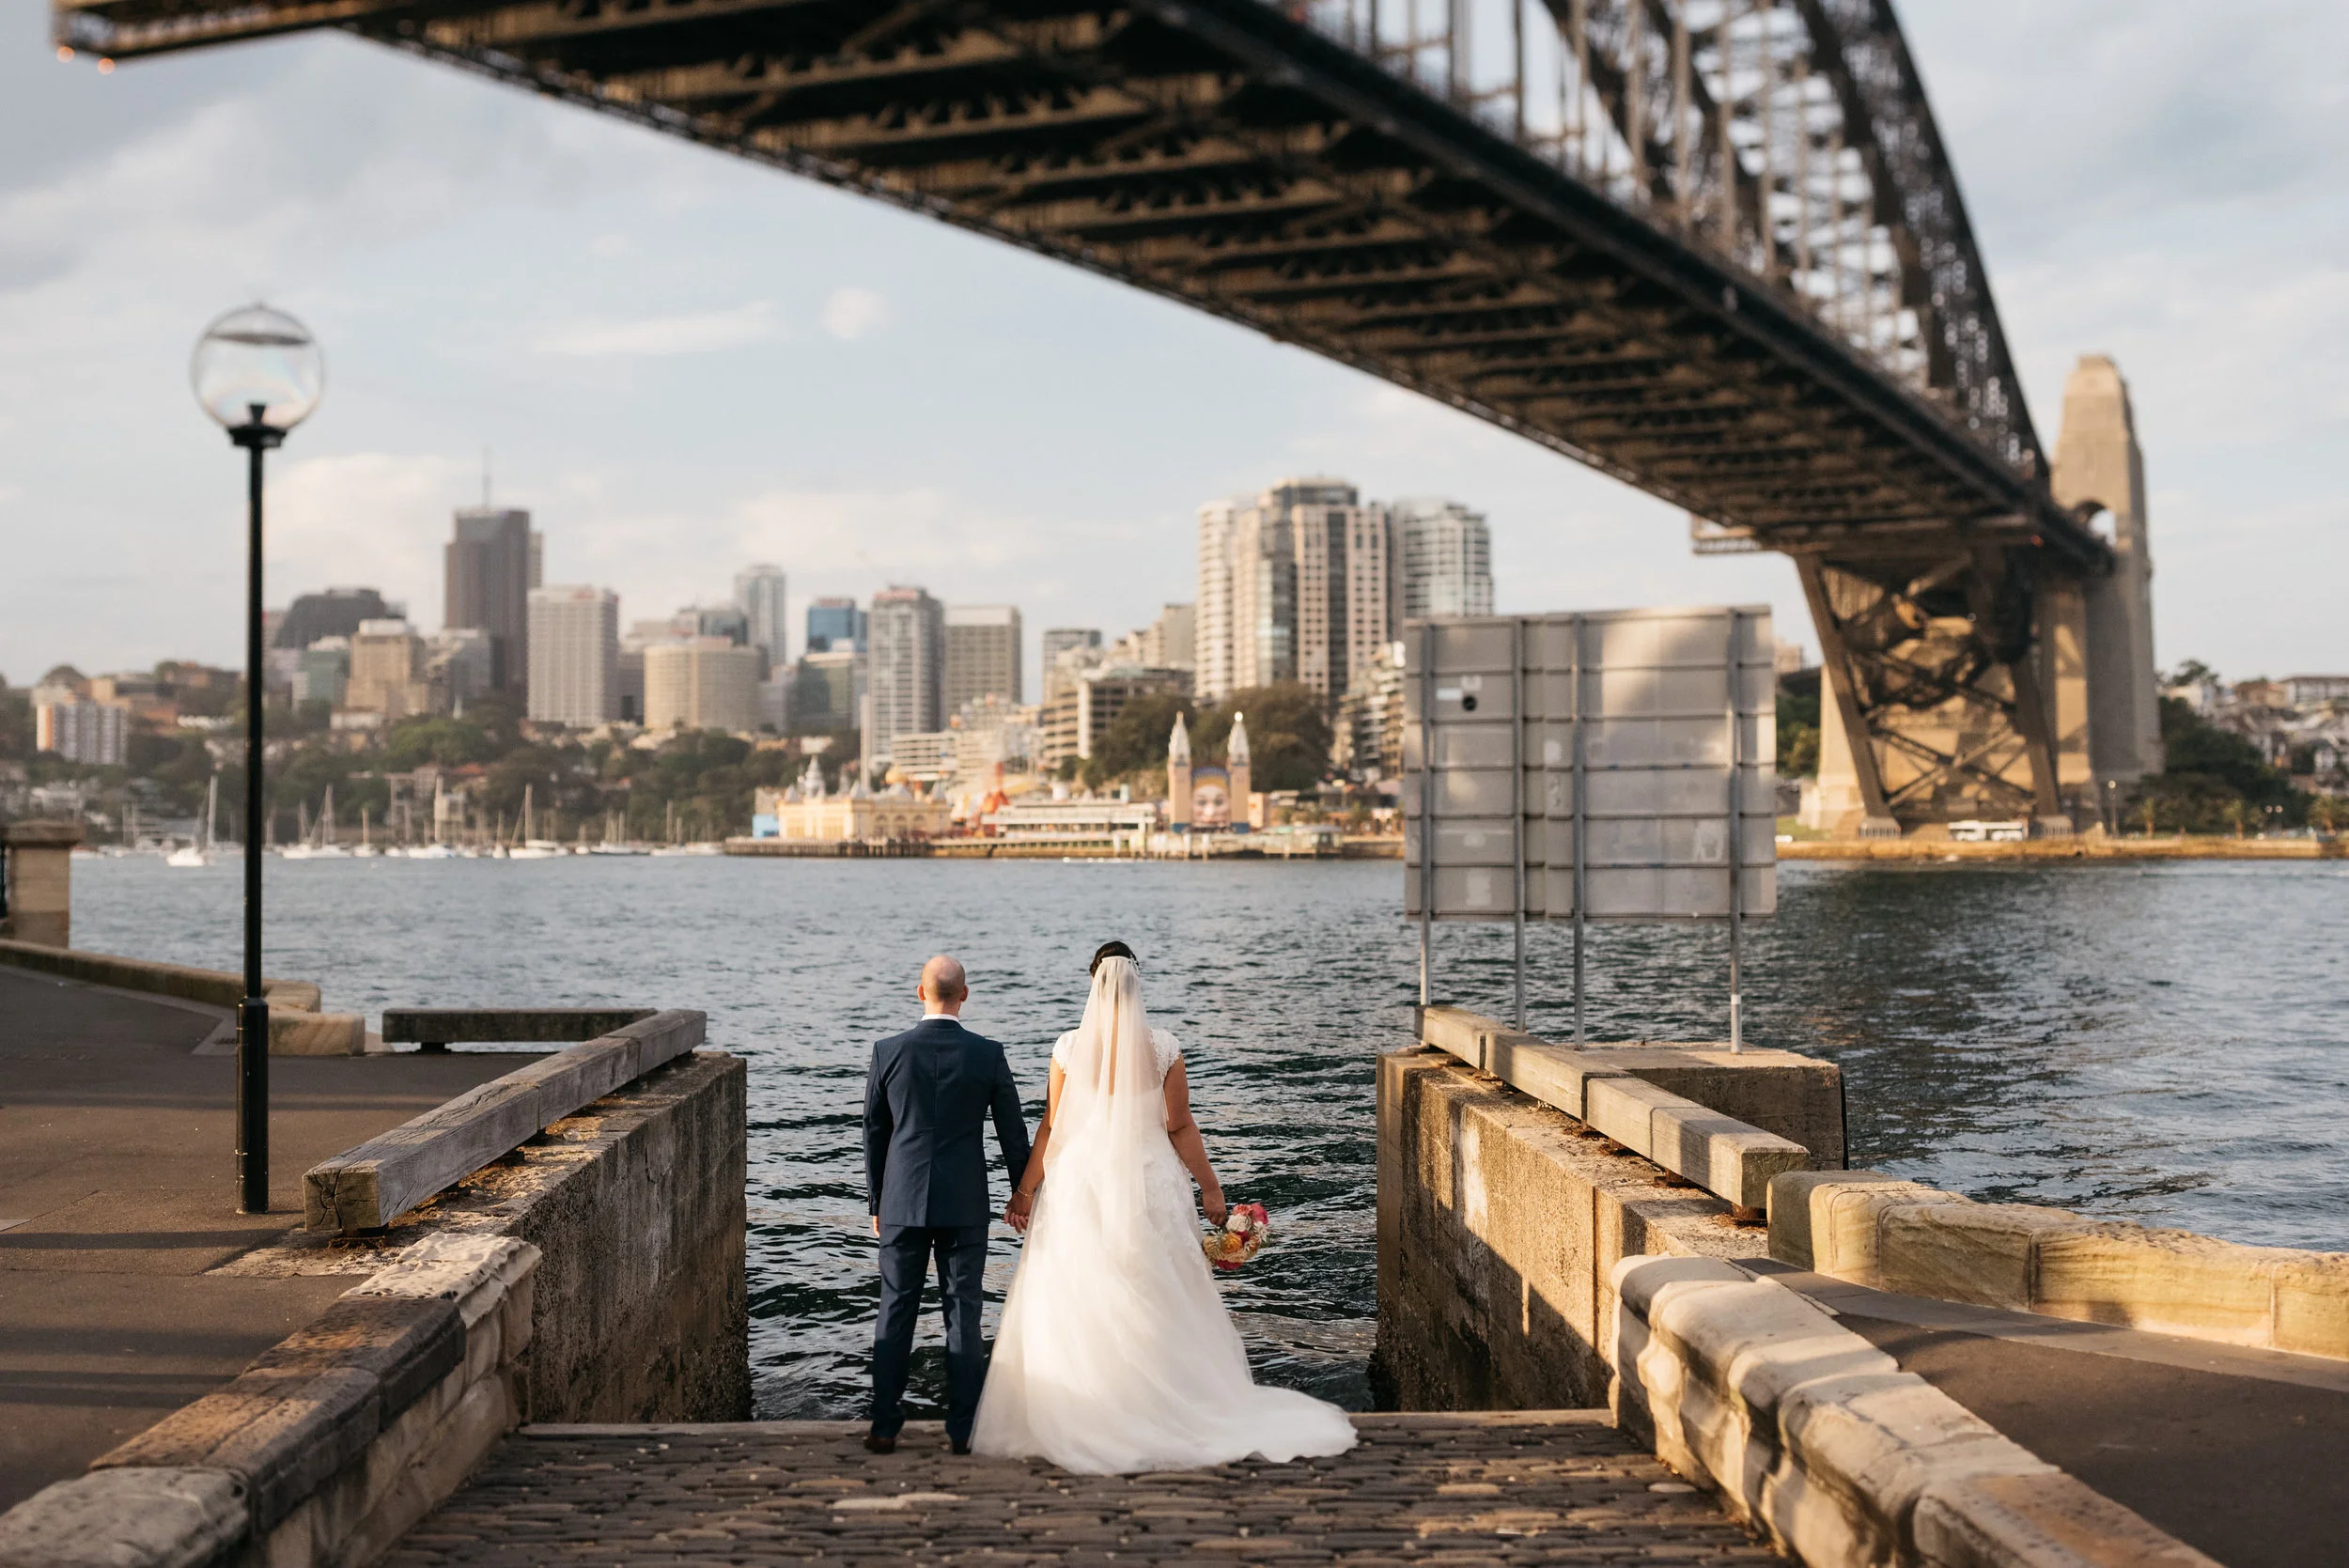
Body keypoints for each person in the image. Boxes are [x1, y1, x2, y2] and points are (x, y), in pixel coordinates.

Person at [970, 941, 1357, 1472]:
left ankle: (1088, 1408)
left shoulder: (1067, 1048)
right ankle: (1170, 1401)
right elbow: (1179, 1127)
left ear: (1093, 985)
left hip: (1082, 1183)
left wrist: (1025, 1191)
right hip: (1152, 1182)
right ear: (1137, 986)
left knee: (1083, 1289)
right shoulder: (1163, 1048)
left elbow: (1053, 1130)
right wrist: (1212, 1188)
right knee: (1160, 1286)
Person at [863, 954, 1030, 1455]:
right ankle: (962, 1432)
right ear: (965, 995)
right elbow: (1012, 1133)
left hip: (901, 1202)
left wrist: (876, 1199)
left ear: (920, 993)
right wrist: (1021, 1194)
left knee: (895, 1310)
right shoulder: (988, 1054)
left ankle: (885, 1427)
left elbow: (874, 1131)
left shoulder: (887, 1051)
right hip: (964, 1204)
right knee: (964, 1314)